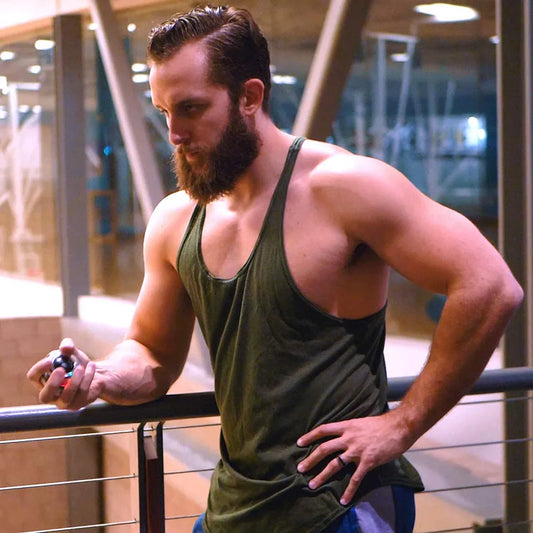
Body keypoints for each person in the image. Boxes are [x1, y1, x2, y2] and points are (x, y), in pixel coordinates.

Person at [27, 5, 523, 533]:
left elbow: (491, 286)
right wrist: (99, 376)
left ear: (249, 97)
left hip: (338, 505)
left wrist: (403, 424)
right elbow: (151, 352)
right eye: (164, 111)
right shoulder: (176, 219)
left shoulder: (343, 188)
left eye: (191, 108)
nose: (173, 133)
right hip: (234, 505)